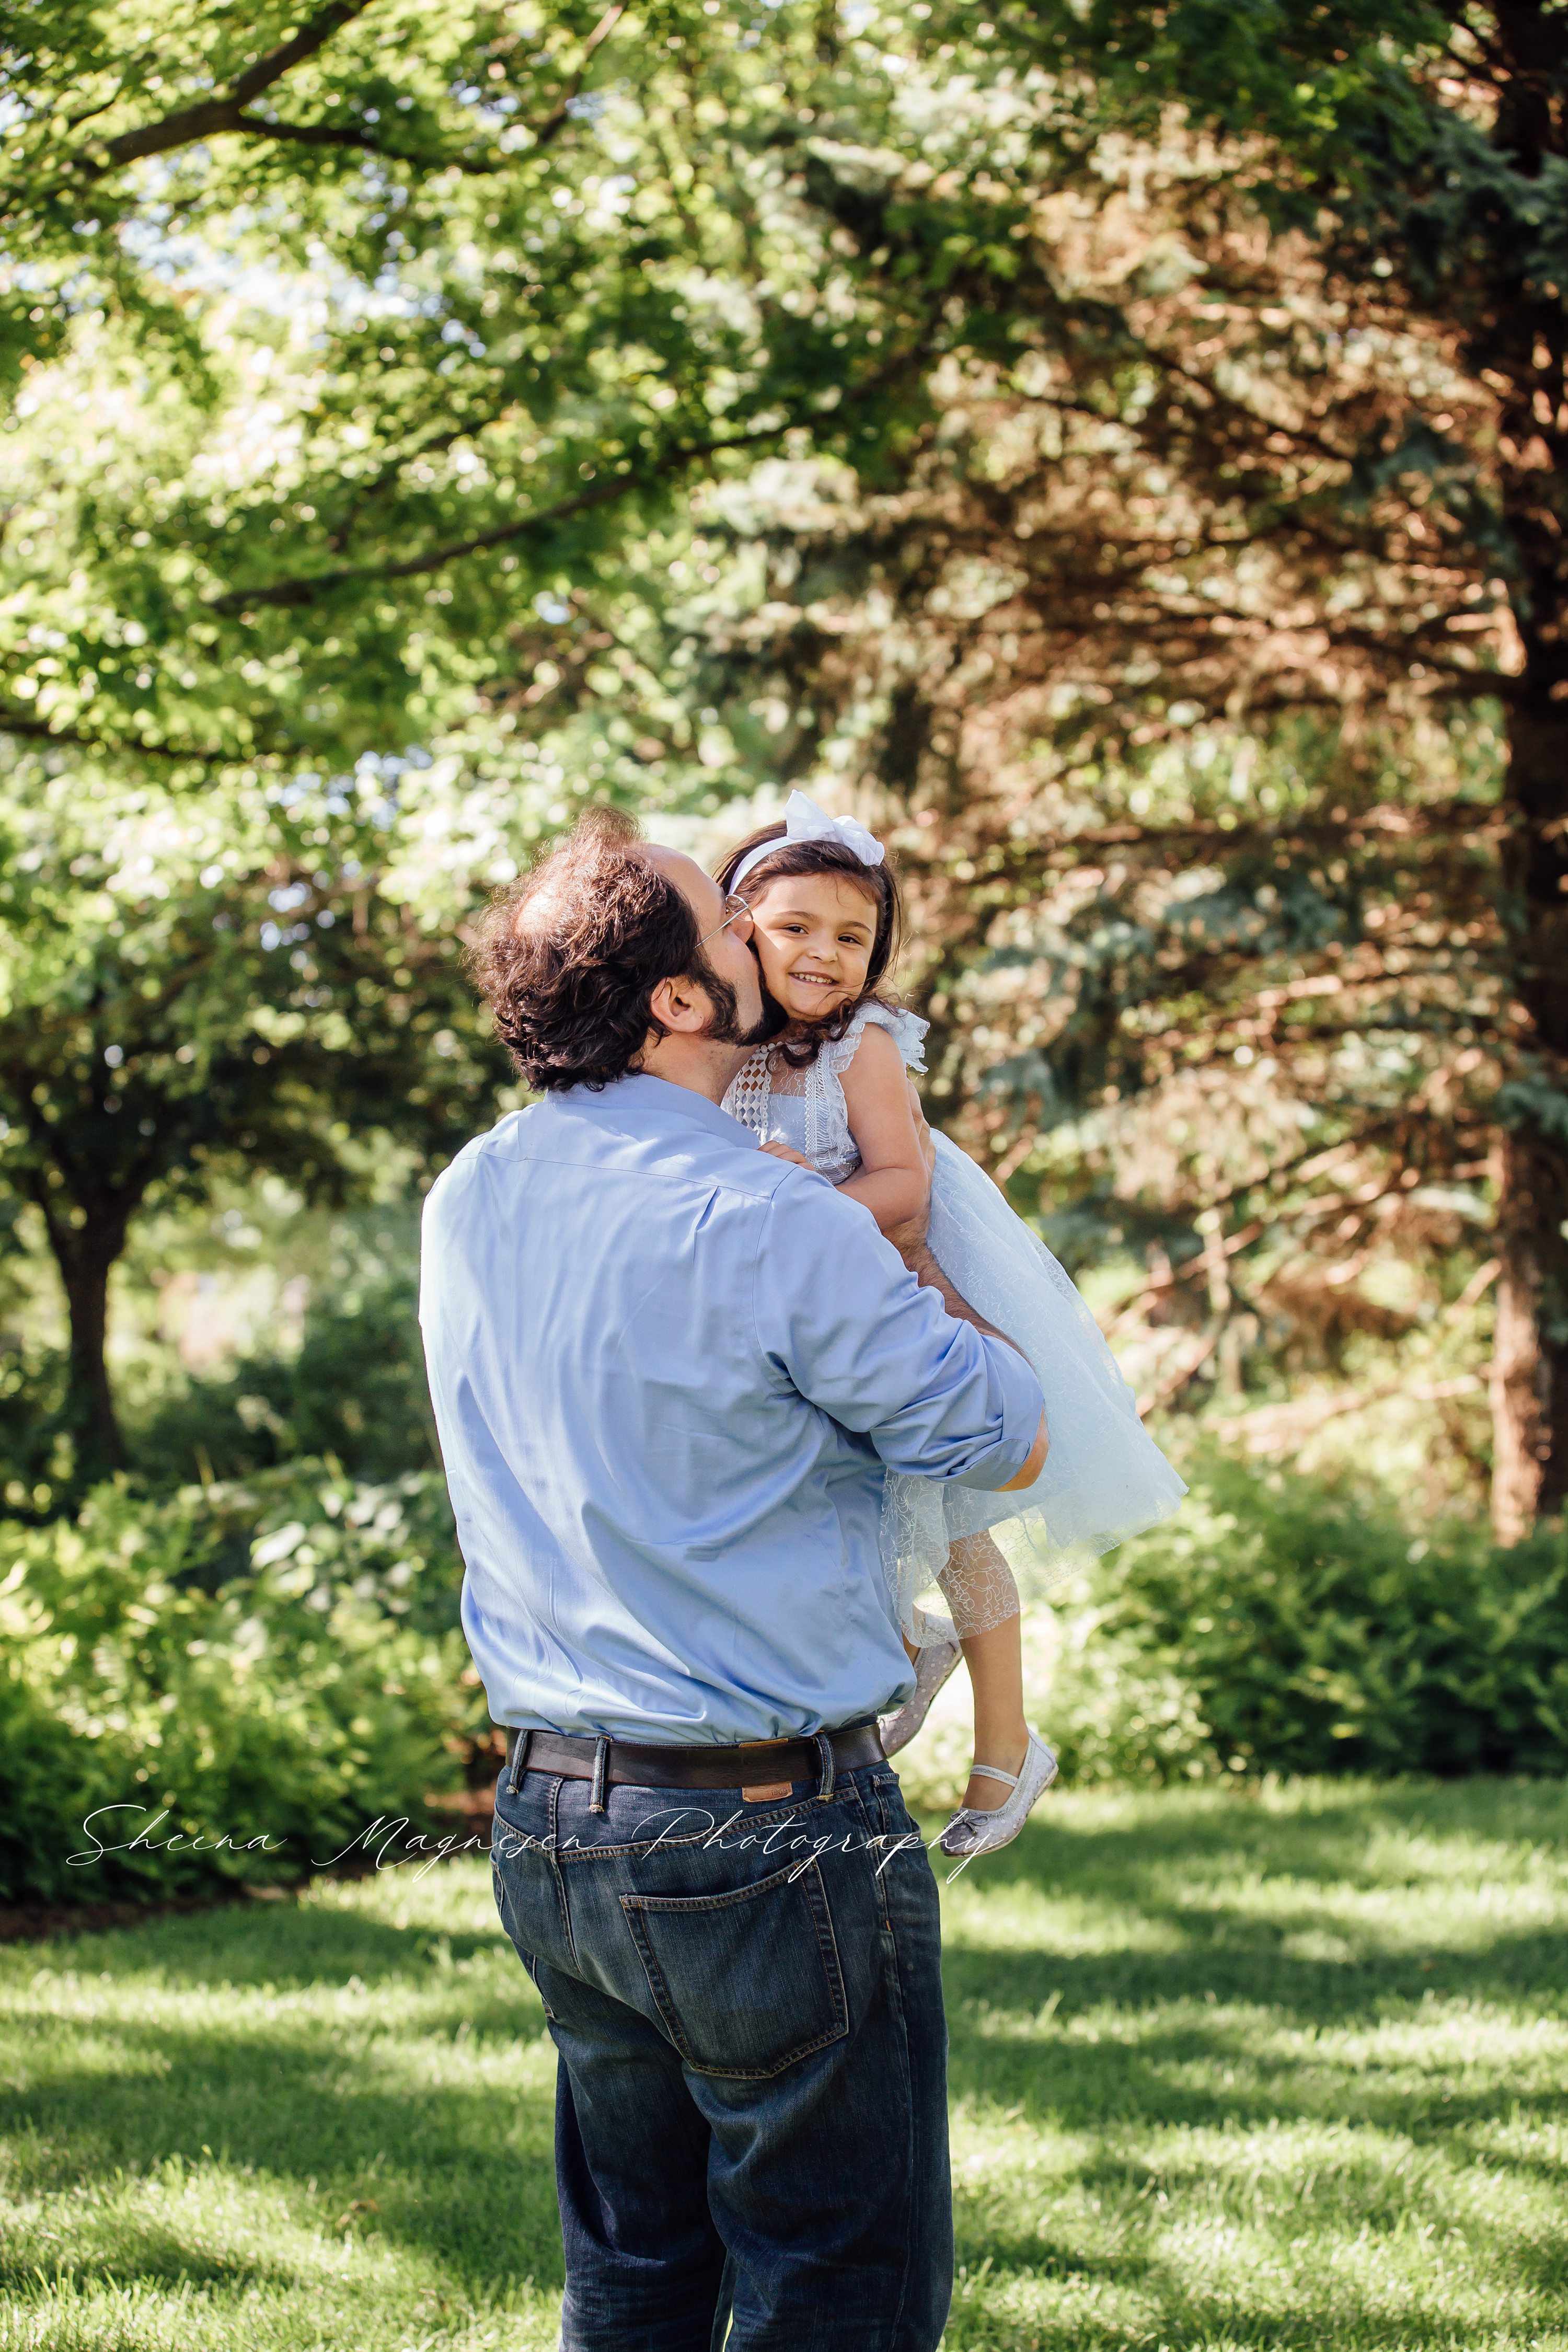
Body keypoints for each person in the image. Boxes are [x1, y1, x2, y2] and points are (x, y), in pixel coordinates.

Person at [418, 808, 1047, 2352]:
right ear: (687, 1001)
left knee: (632, 2276)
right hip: (768, 1835)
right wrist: (953, 1281)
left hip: (552, 1819)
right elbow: (1010, 1438)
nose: (763, 927)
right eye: (725, 914)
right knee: (838, 2289)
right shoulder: (777, 1220)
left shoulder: (470, 1194)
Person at [716, 792, 1187, 1858]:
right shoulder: (723, 1049)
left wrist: (796, 1206)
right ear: (738, 928)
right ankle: (907, 1643)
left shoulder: (861, 1048)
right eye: (795, 928)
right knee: (857, 1494)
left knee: (952, 1510)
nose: (825, 955)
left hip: (907, 1284)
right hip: (806, 1310)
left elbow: (904, 1191)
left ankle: (1010, 1745)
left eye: (853, 937)